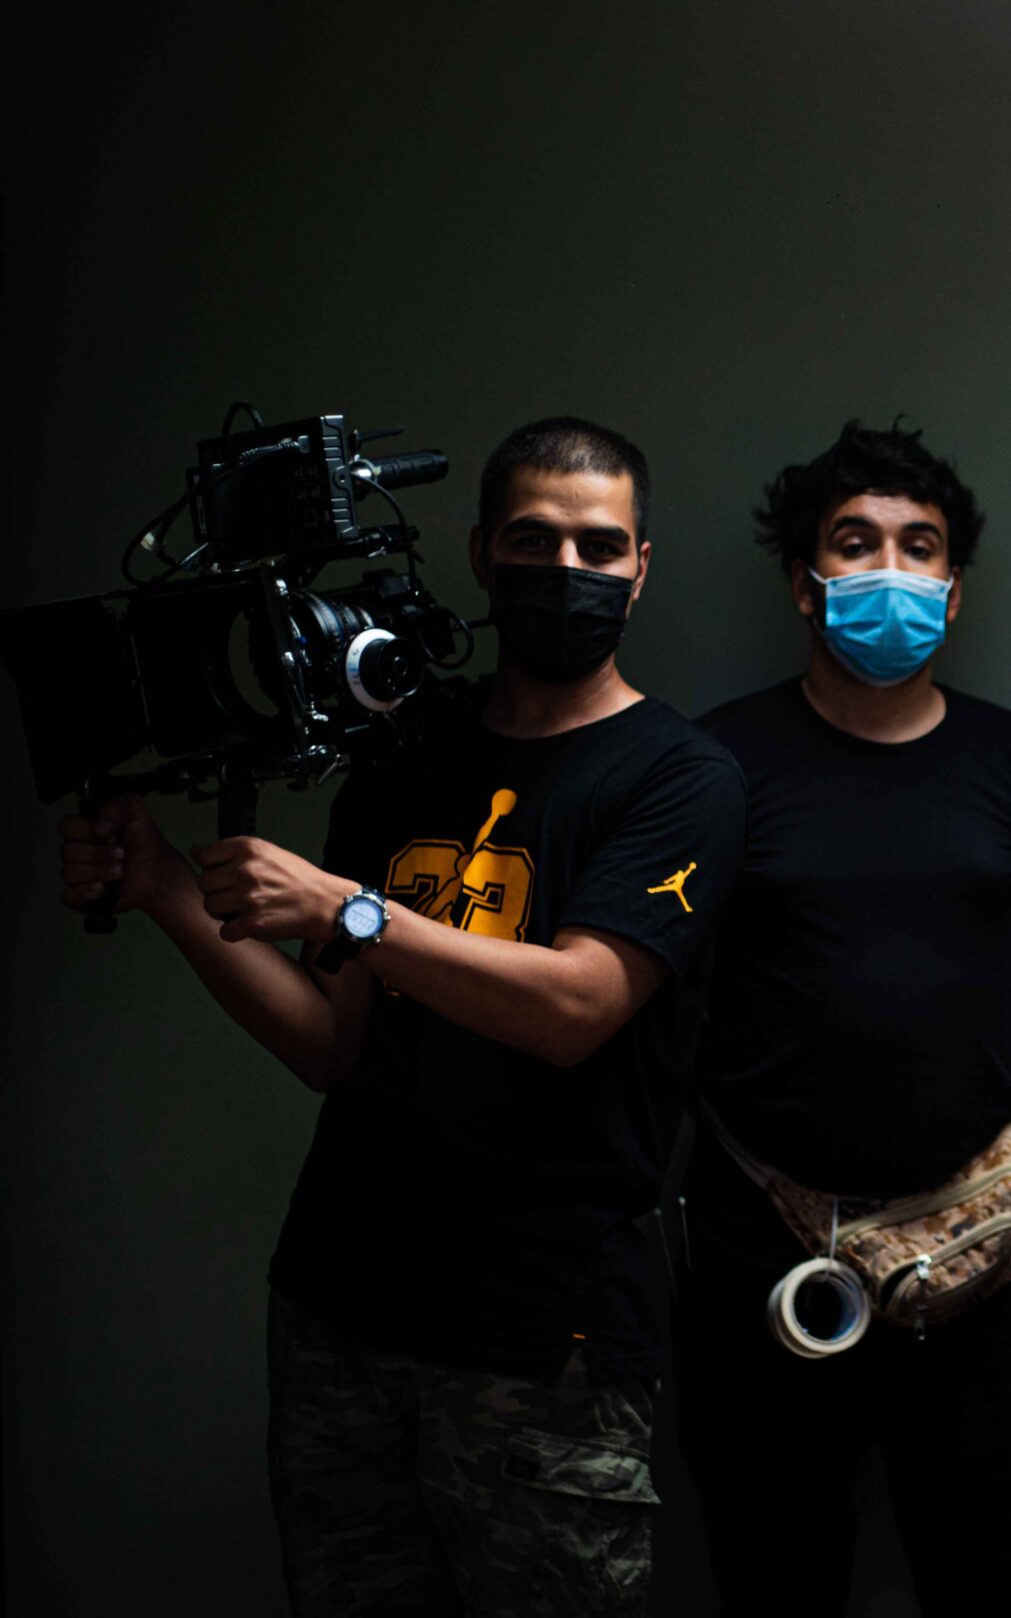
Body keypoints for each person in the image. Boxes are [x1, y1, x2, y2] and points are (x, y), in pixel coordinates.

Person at [56, 417, 746, 1612]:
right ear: (480, 553)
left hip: (543, 1338)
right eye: (534, 541)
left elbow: (578, 1004)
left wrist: (352, 910)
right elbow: (331, 1042)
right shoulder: (402, 752)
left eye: (598, 547)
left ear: (641, 567)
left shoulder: (680, 778)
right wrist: (167, 887)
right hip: (343, 1307)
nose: (567, 571)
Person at [674, 419, 1011, 1616]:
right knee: (774, 1584)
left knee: (994, 1583)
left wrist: (960, 1086)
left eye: (919, 548)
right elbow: (661, 985)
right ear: (804, 582)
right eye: (854, 543)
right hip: (763, 1249)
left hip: (984, 1255)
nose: (889, 569)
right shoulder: (715, 764)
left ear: (954, 591)